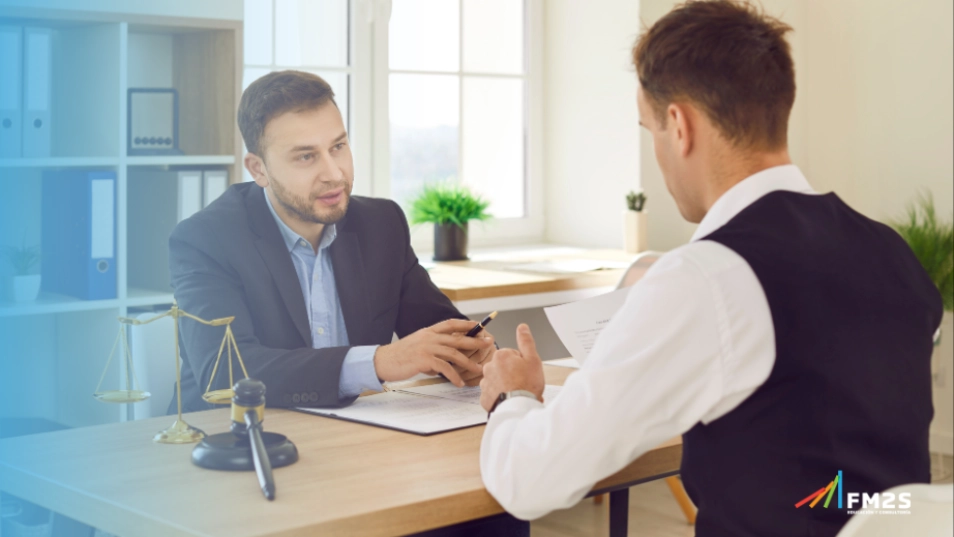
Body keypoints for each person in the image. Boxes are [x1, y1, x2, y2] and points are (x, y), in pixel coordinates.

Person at [478, 2, 943, 536]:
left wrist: (513, 398)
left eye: (648, 129)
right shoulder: (893, 254)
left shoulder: (707, 277)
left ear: (678, 126)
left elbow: (528, 480)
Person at [168, 70, 494, 412]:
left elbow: (444, 335)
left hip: (350, 435)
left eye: (338, 146)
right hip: (229, 441)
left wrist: (474, 354)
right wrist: (378, 362)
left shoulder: (382, 225)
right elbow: (225, 373)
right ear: (258, 169)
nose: (335, 173)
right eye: (306, 156)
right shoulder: (205, 240)